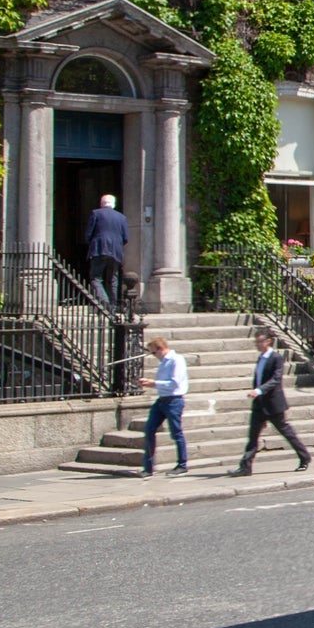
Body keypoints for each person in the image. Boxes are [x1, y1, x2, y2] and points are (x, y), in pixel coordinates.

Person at [232, 331, 312, 476]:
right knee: (253, 436)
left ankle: (304, 457)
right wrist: (257, 393)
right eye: (256, 342)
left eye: (259, 342)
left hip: (273, 404)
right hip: (259, 405)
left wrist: (259, 390)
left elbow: (275, 379)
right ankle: (246, 466)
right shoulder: (260, 358)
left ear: (268, 341)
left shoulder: (276, 358)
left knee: (287, 433)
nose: (257, 345)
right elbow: (258, 379)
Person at [136, 335, 189, 477]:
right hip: (162, 400)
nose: (154, 356)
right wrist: (150, 384)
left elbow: (174, 383)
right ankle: (148, 467)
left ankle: (182, 464)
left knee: (176, 432)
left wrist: (153, 383)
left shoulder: (176, 360)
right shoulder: (163, 362)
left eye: (154, 353)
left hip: (174, 400)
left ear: (161, 349)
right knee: (149, 429)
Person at [85, 193, 130, 308]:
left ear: (101, 204)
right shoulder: (121, 217)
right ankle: (113, 306)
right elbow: (126, 238)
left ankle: (104, 301)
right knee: (113, 280)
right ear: (113, 204)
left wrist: (90, 243)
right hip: (116, 251)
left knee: (95, 278)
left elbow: (89, 234)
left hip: (99, 248)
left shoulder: (96, 213)